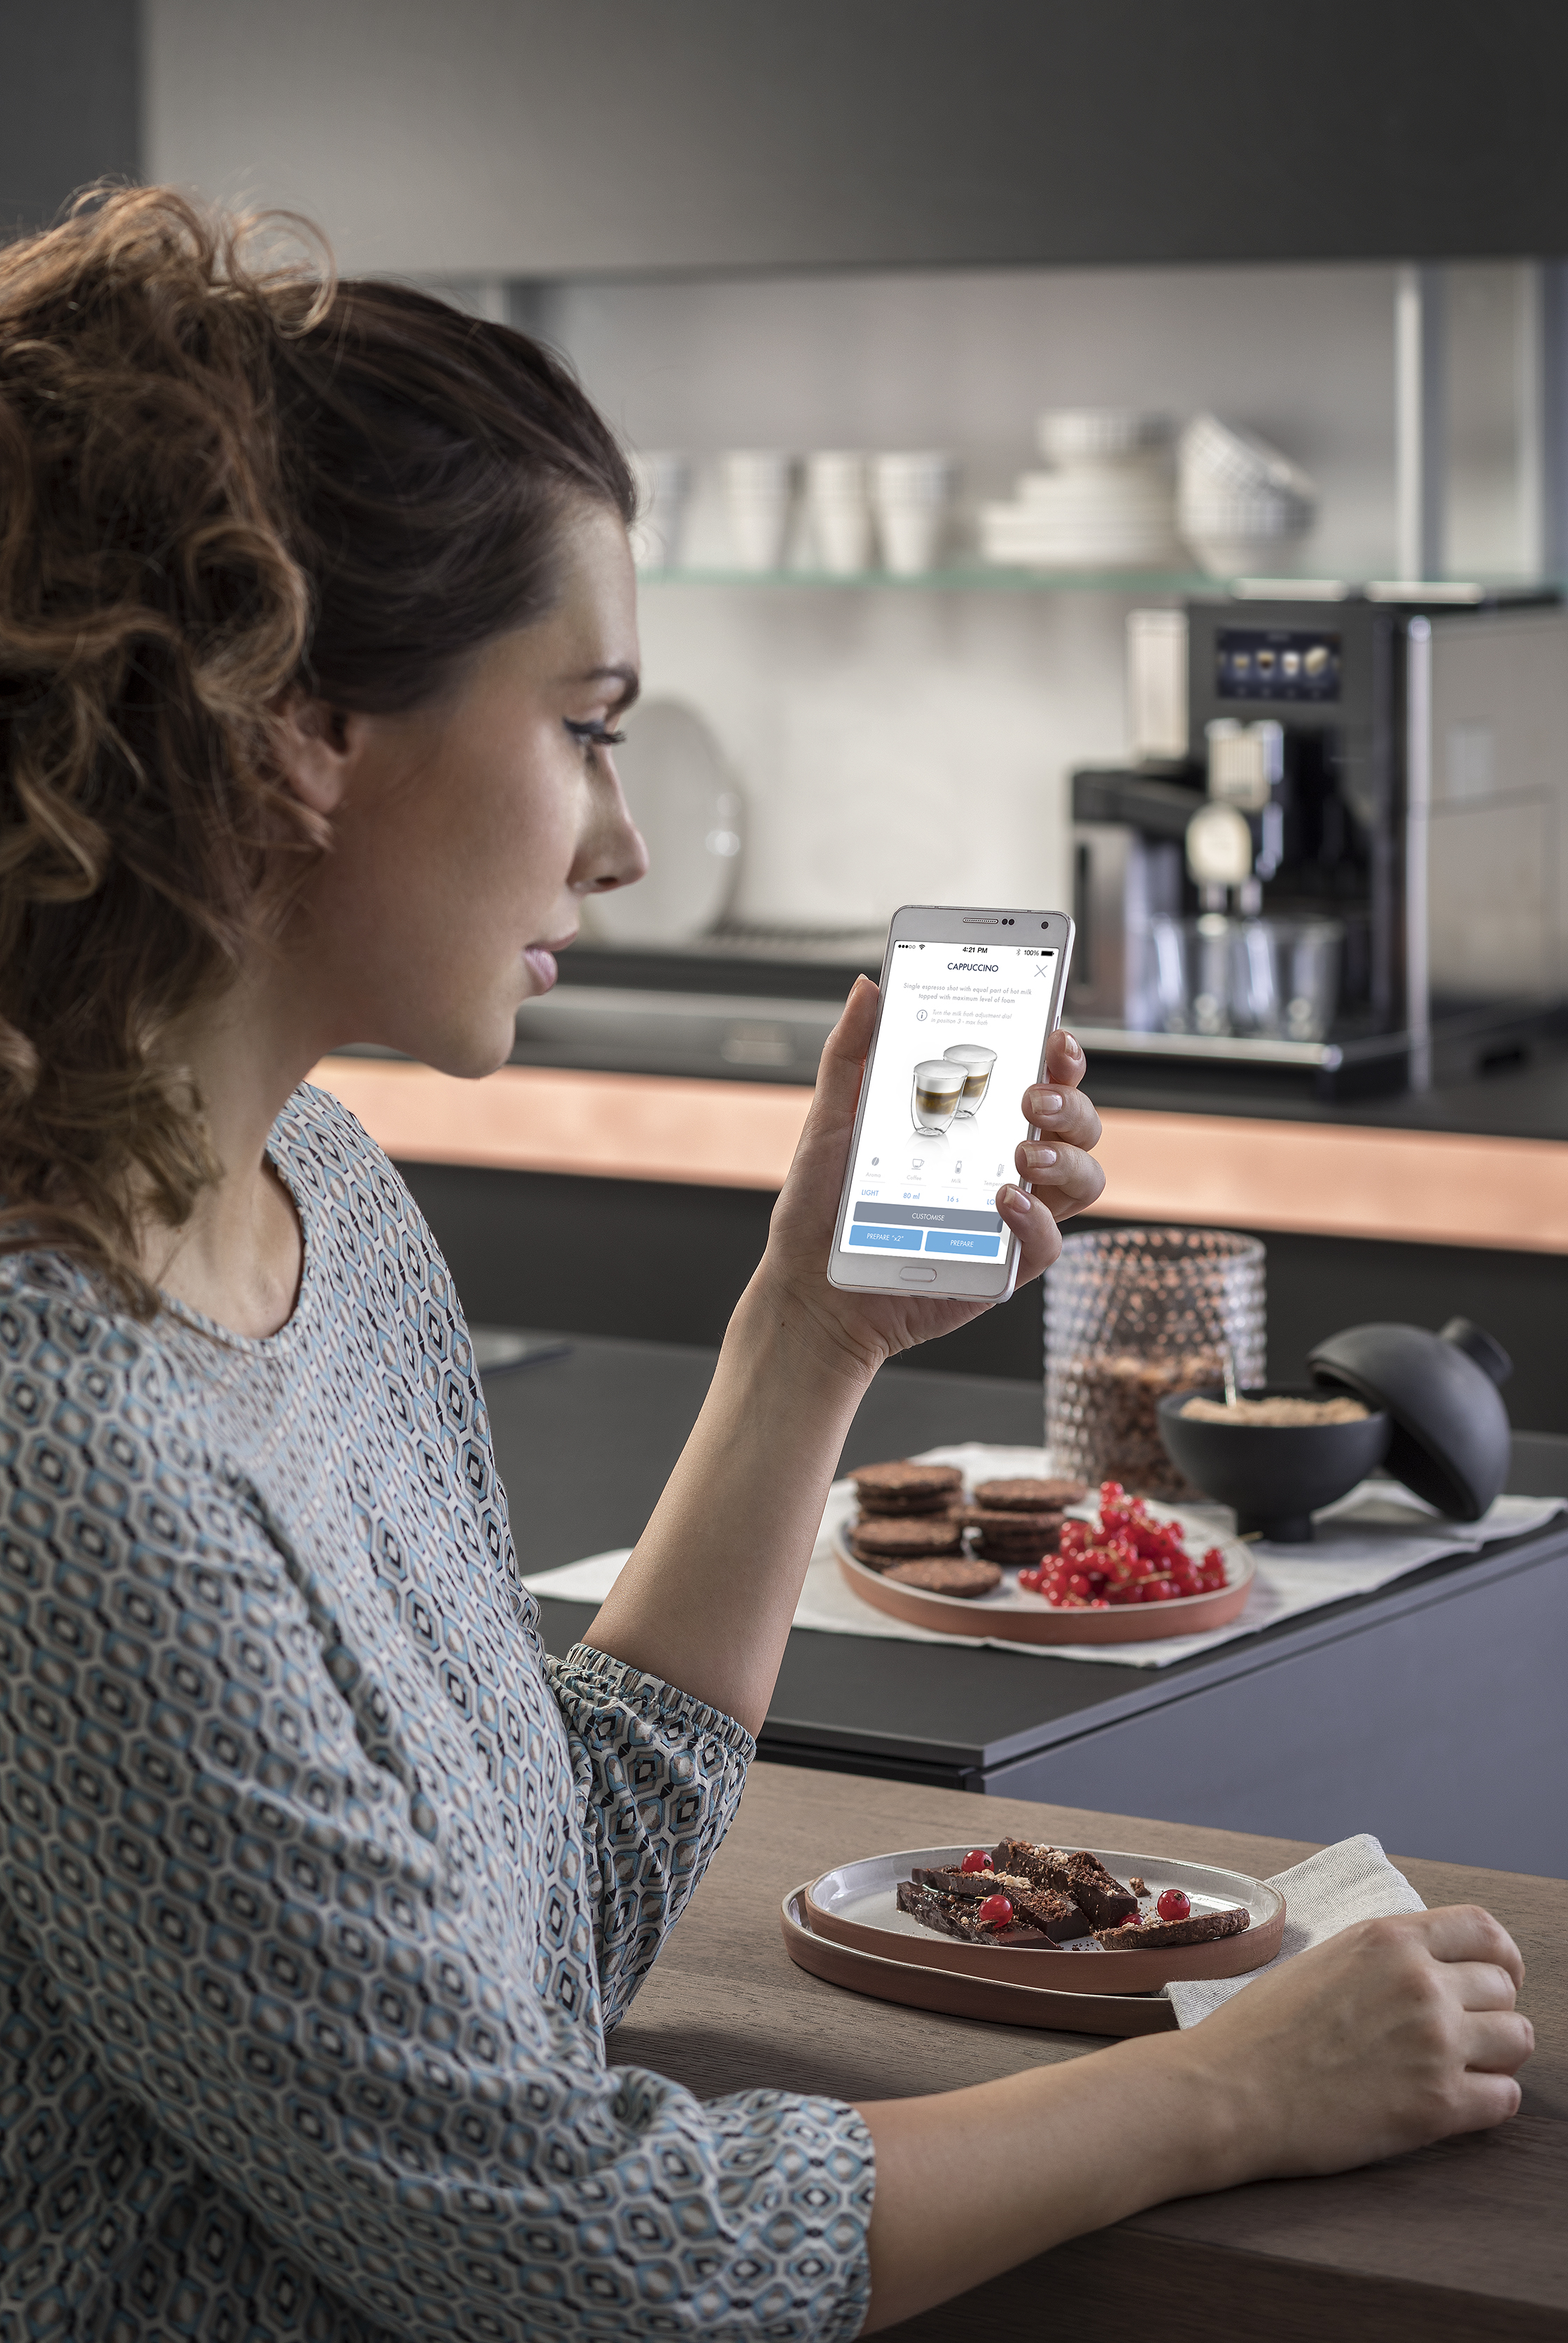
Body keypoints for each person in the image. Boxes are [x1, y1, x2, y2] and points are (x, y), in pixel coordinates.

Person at [0, 186, 1531, 2342]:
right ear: (297, 731)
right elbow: (560, 2246)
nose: (620, 839)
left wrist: (810, 1335)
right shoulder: (63, 1448)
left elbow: (542, 1950)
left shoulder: (322, 1202)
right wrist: (1224, 2096)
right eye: (592, 721)